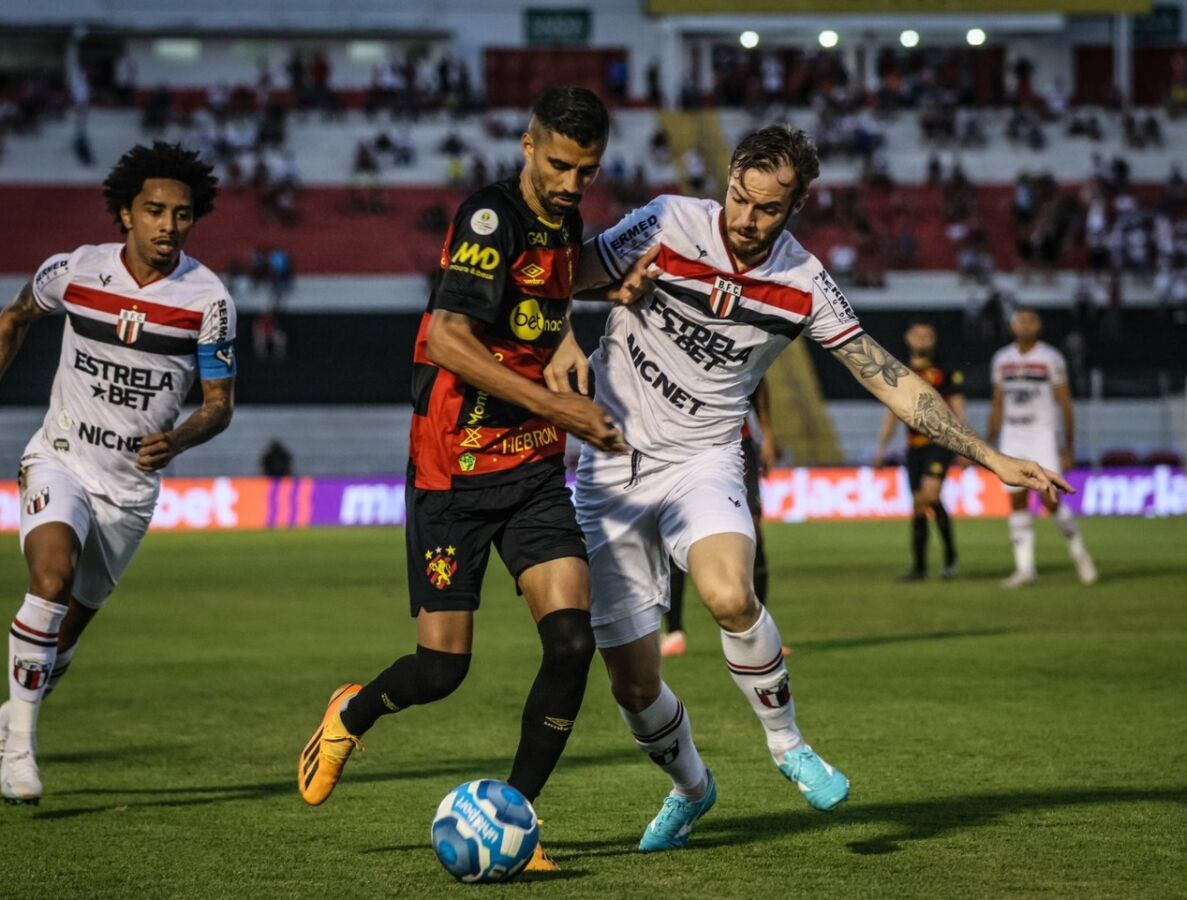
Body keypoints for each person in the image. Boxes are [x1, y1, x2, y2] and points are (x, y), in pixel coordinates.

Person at [556, 124, 1070, 851]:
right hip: (607, 471)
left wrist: (987, 456)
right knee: (634, 688)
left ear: (795, 207)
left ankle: (787, 743)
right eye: (738, 196)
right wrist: (586, 309)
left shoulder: (802, 282)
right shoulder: (667, 219)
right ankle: (692, 788)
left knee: (731, 594)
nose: (744, 218)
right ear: (728, 178)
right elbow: (559, 276)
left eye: (766, 209)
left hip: (704, 459)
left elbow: (882, 372)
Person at [296, 87, 639, 871]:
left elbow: (538, 300)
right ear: (527, 145)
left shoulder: (564, 221)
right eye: (558, 165)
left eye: (586, 171)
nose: (571, 184)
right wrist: (561, 400)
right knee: (443, 669)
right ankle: (351, 712)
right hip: (454, 470)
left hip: (532, 467)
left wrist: (588, 302)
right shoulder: (489, 220)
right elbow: (451, 339)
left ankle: (516, 819)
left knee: (571, 639)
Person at [0, 142, 236, 804]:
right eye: (155, 211)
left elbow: (219, 407)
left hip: (128, 492)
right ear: (124, 214)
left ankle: (9, 721)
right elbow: (17, 316)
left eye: (182, 214)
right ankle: (19, 749)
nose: (168, 225)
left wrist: (180, 438)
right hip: (61, 457)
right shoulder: (77, 271)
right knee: (49, 578)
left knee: (62, 640)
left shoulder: (208, 300)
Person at [661, 380, 777, 657]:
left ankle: (758, 629)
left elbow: (760, 384)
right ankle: (674, 630)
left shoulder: (738, 340)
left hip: (737, 442)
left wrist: (769, 435)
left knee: (754, 532)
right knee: (675, 529)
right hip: (685, 445)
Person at [987, 308, 1097, 588]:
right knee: (1016, 500)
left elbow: (1065, 403)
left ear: (1039, 326)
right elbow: (998, 403)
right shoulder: (1002, 359)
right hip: (1012, 437)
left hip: (1042, 437)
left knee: (1051, 501)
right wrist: (988, 445)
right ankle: (1025, 568)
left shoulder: (1050, 358)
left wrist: (1068, 446)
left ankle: (1079, 553)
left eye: (1031, 320)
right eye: (1020, 320)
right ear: (1012, 326)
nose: (1025, 325)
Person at [872, 321, 965, 581]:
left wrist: (966, 446)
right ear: (908, 338)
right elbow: (892, 414)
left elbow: (958, 409)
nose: (922, 339)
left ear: (934, 340)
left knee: (929, 495)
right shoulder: (900, 372)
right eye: (917, 334)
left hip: (941, 444)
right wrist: (882, 448)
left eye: (927, 335)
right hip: (914, 449)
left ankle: (949, 560)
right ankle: (921, 567)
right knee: (918, 505)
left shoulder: (945, 372)